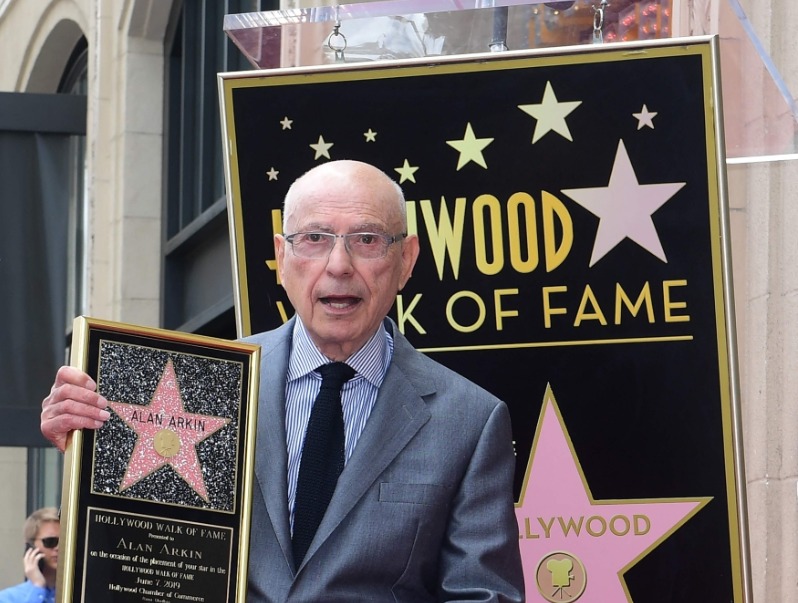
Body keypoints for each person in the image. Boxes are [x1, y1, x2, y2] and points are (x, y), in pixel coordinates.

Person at [41, 160, 525, 601]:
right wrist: (90, 455)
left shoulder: (469, 420)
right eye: (314, 238)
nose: (339, 265)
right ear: (280, 256)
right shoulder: (201, 384)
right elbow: (140, 557)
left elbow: (484, 595)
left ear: (406, 260)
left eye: (367, 239)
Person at [0, 507, 59, 603]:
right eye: (50, 541)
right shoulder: (7, 598)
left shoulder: (85, 593)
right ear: (30, 547)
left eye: (65, 541)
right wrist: (38, 587)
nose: (58, 548)